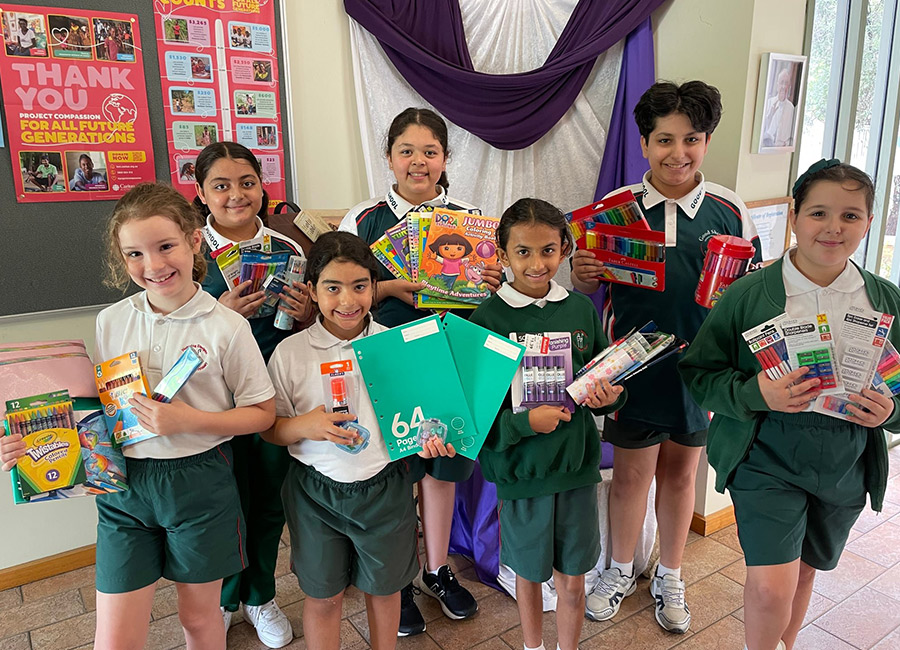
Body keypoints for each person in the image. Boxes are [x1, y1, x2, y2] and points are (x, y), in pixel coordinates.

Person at [1, 183, 276, 648]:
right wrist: (32, 439)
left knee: (200, 620)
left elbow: (263, 415)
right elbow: (99, 411)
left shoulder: (226, 326)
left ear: (193, 240)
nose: (153, 266)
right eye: (134, 254)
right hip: (123, 487)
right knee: (113, 636)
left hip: (199, 484)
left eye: (165, 246)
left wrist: (191, 421)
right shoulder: (111, 319)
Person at [679, 159, 900, 650]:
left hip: (846, 458)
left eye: (851, 215)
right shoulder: (748, 296)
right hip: (766, 451)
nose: (833, 227)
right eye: (819, 212)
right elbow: (699, 373)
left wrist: (890, 413)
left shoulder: (884, 299)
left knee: (803, 573)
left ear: (869, 221)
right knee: (769, 583)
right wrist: (757, 392)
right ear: (795, 215)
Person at [572, 80, 762, 634]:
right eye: (664, 139)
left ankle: (671, 576)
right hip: (633, 367)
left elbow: (750, 292)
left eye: (692, 139)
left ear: (707, 141)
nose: (678, 153)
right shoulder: (614, 207)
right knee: (631, 476)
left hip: (702, 369)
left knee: (681, 476)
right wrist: (584, 276)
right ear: (643, 142)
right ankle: (619, 572)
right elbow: (591, 285)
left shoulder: (731, 209)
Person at [338, 107, 502, 636]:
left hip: (452, 358)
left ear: (445, 158)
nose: (418, 161)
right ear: (388, 157)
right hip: (387, 365)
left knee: (442, 469)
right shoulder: (364, 219)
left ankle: (437, 571)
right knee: (396, 475)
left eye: (430, 151)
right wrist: (387, 289)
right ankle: (400, 580)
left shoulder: (471, 218)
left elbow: (486, 296)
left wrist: (493, 276)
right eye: (406, 150)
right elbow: (337, 289)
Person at [264, 231, 456, 650]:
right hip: (315, 492)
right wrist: (305, 426)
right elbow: (270, 427)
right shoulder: (291, 353)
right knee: (324, 596)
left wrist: (432, 439)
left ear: (374, 287)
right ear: (312, 291)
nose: (348, 301)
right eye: (333, 288)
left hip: (384, 487)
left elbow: (422, 419)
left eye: (359, 286)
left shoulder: (395, 345)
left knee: (385, 591)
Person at [469, 197, 626, 650]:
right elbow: (479, 421)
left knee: (574, 582)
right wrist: (524, 425)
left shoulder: (579, 310)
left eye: (548, 251)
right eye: (523, 252)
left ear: (563, 251)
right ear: (502, 256)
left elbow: (603, 381)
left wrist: (610, 397)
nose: (537, 264)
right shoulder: (488, 319)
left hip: (576, 473)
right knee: (530, 578)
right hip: (524, 478)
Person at [193, 141, 310, 648]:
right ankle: (223, 599)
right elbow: (171, 333)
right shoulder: (189, 254)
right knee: (222, 504)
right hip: (211, 403)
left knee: (266, 502)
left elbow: (302, 330)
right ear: (201, 193)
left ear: (263, 187)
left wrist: (308, 312)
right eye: (221, 185)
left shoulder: (289, 250)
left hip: (272, 401)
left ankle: (260, 594)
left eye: (247, 183)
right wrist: (222, 315)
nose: (236, 195)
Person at [762, 69, 796, 148]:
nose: (783, 86)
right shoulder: (769, 103)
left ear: (789, 87)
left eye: (786, 83)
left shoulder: (791, 108)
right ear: (777, 85)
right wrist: (770, 115)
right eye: (782, 82)